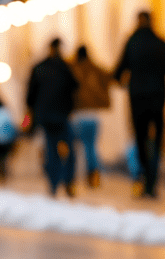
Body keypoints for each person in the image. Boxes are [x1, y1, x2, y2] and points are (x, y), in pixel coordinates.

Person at [114, 11, 165, 199]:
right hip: (158, 96)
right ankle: (153, 181)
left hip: (137, 97)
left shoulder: (132, 43)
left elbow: (118, 70)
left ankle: (144, 177)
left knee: (140, 138)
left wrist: (121, 81)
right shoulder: (160, 42)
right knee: (158, 138)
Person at [26, 37, 79, 196]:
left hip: (45, 116)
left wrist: (33, 115)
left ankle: (54, 184)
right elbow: (75, 87)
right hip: (62, 115)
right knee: (70, 150)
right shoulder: (65, 67)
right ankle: (68, 181)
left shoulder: (39, 68)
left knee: (51, 150)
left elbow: (29, 97)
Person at [69, 45, 111, 188]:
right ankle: (93, 173)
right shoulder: (94, 68)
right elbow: (109, 77)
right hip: (93, 115)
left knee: (73, 147)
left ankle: (71, 178)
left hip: (77, 115)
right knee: (91, 147)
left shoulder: (72, 69)